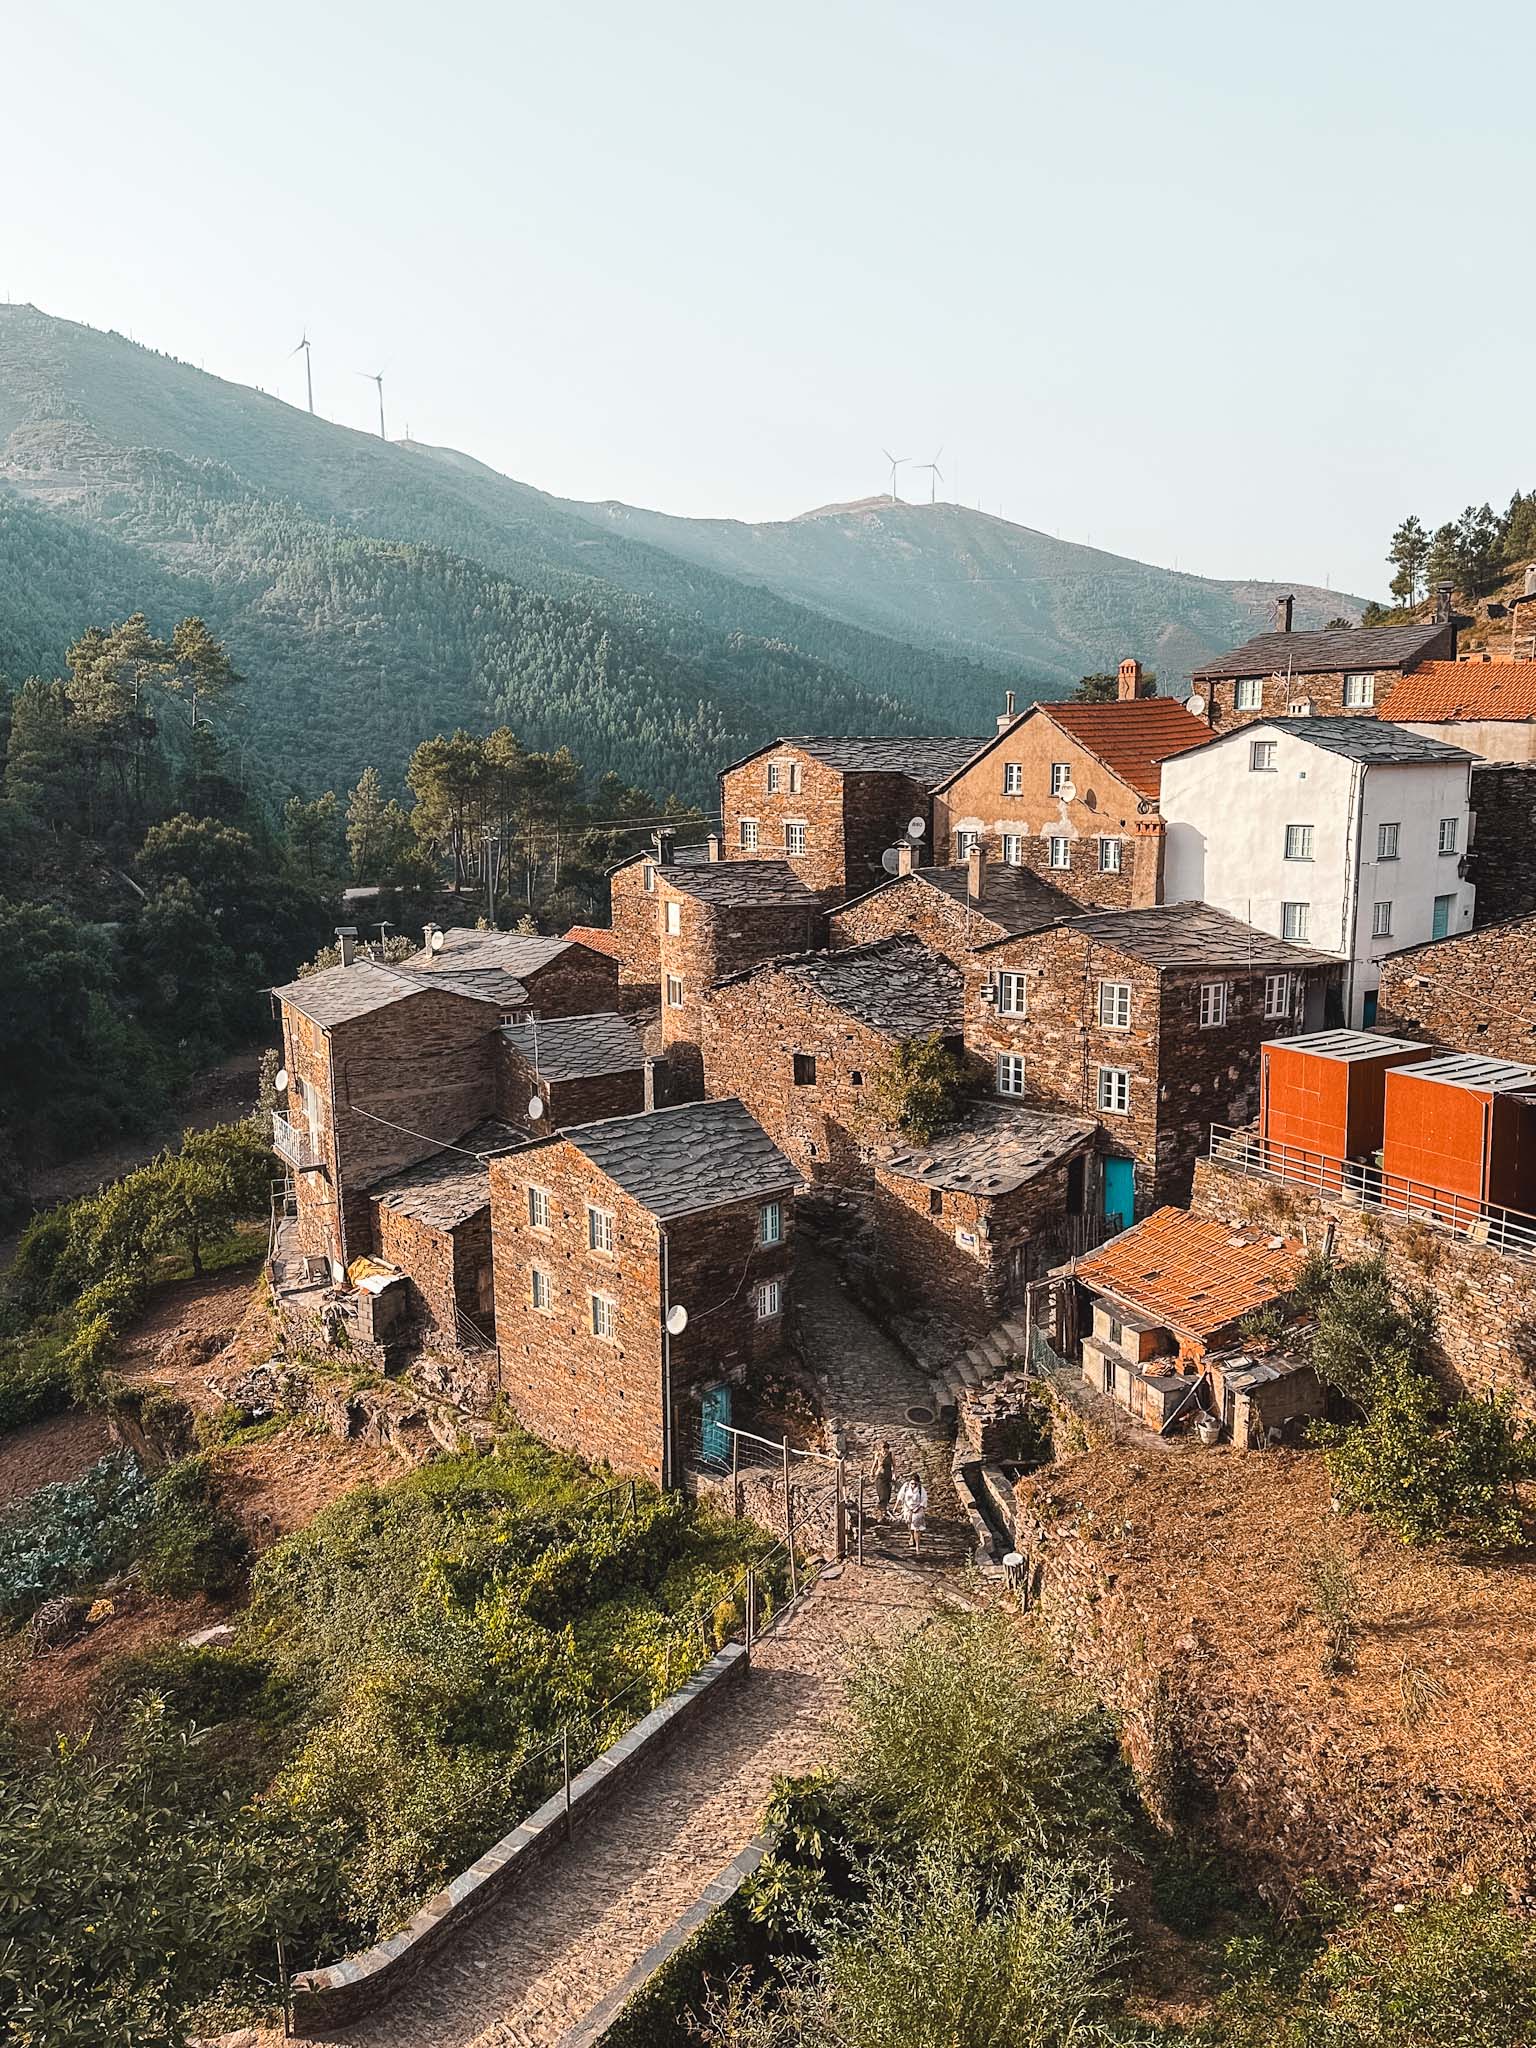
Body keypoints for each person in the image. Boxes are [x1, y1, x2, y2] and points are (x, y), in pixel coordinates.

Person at [895, 1471, 928, 1557]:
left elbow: (924, 1500)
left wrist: (919, 1507)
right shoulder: (906, 1487)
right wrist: (896, 1507)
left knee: (917, 1528)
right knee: (909, 1524)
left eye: (915, 1484)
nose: (913, 1486)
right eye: (912, 1483)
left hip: (917, 1509)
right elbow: (900, 1497)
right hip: (907, 1509)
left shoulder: (921, 1489)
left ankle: (917, 1547)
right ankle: (911, 1535)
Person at [872, 1441, 894, 1524]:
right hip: (880, 1476)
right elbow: (875, 1464)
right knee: (882, 1493)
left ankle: (884, 1510)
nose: (884, 1451)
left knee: (888, 1494)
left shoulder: (891, 1454)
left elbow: (894, 1465)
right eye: (883, 1450)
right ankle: (881, 1511)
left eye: (886, 1449)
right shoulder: (878, 1455)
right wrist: (871, 1472)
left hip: (888, 1475)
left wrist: (895, 1474)